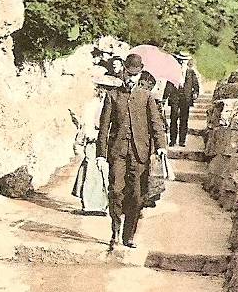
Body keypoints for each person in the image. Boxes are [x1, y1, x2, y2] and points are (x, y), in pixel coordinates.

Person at [96, 52, 168, 251]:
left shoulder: (146, 96)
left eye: (136, 74)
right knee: (116, 191)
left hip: (140, 153)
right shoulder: (112, 95)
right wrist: (101, 154)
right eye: (129, 73)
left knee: (137, 196)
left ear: (141, 73)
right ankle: (116, 231)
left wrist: (161, 146)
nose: (131, 78)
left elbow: (156, 123)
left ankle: (129, 235)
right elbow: (104, 128)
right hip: (118, 152)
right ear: (123, 72)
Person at [71, 79, 119, 215]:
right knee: (91, 171)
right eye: (103, 89)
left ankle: (103, 204)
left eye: (109, 89)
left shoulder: (114, 104)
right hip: (94, 141)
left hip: (109, 141)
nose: (104, 92)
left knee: (106, 172)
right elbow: (87, 124)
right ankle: (90, 205)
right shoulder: (92, 105)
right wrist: (90, 135)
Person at [166, 52, 201, 147]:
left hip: (186, 97)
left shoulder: (191, 72)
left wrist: (195, 93)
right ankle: (172, 140)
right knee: (173, 118)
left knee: (184, 119)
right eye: (180, 60)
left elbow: (195, 85)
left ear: (187, 62)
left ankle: (182, 141)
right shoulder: (172, 72)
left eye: (184, 61)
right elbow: (169, 85)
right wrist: (165, 97)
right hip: (175, 97)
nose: (182, 63)